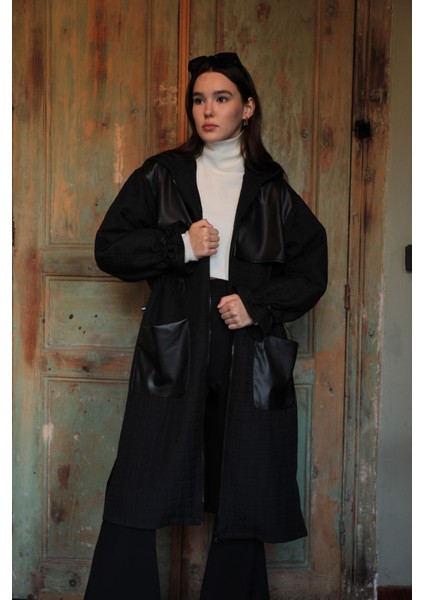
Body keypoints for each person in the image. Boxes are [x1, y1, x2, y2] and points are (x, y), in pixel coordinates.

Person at [84, 52, 327, 599]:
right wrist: (180, 246)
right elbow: (110, 247)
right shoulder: (161, 174)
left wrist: (258, 307)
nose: (207, 111)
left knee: (243, 476)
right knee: (143, 470)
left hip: (247, 343)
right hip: (176, 338)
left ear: (247, 108)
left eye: (221, 98)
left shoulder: (271, 188)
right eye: (199, 99)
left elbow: (312, 269)